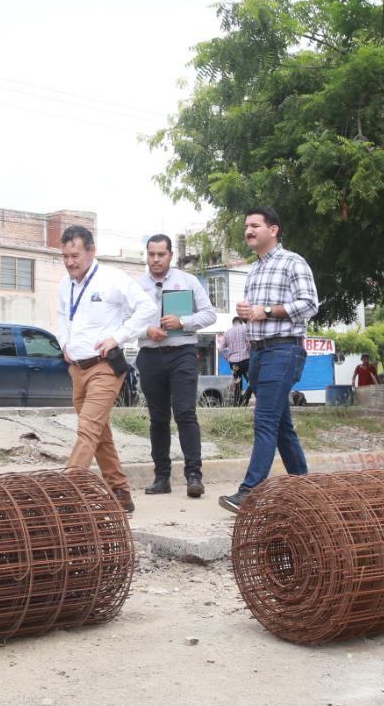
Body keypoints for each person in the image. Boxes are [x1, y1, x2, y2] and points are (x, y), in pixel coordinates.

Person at [220, 207, 319, 514]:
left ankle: (249, 492)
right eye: (246, 226)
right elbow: (257, 313)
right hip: (259, 352)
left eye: (254, 225)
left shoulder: (293, 262)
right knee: (281, 425)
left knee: (264, 420)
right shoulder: (254, 270)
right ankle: (306, 489)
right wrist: (249, 312)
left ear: (273, 230)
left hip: (283, 349)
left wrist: (265, 310)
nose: (248, 230)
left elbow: (309, 304)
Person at [56, 224, 158, 515]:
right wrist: (63, 342)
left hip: (105, 367)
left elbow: (147, 308)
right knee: (99, 432)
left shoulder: (113, 278)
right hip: (77, 368)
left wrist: (119, 336)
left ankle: (65, 492)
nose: (69, 262)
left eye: (74, 255)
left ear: (91, 251)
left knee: (88, 428)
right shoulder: (65, 285)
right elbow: (63, 316)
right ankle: (120, 491)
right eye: (64, 256)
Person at [135, 234, 217, 498]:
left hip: (182, 352)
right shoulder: (136, 286)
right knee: (158, 418)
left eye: (161, 254)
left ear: (171, 255)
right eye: (151, 254)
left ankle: (194, 476)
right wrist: (148, 330)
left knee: (184, 413)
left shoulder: (188, 281)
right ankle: (162, 478)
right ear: (146, 255)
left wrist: (182, 321)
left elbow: (209, 314)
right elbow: (123, 322)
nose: (156, 259)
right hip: (150, 355)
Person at [219, 317, 252, 405]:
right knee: (252, 381)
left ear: (233, 323)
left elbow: (221, 349)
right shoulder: (245, 329)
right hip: (245, 360)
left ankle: (237, 403)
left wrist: (228, 357)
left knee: (237, 384)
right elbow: (249, 344)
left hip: (233, 363)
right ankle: (245, 400)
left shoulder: (227, 333)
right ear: (241, 322)